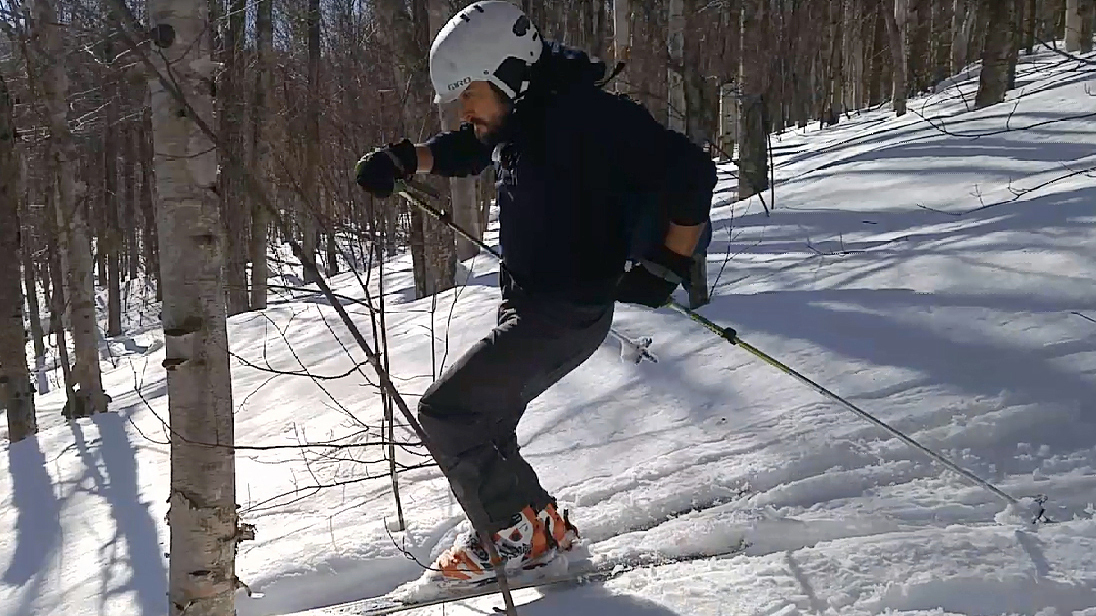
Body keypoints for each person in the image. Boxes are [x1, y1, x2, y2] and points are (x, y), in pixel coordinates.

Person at [354, 0, 716, 587]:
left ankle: (515, 539)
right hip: (537, 305)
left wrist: (670, 262)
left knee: (449, 413)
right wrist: (405, 158)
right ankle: (537, 527)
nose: (464, 110)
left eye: (470, 94)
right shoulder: (526, 113)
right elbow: (471, 147)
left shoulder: (589, 118)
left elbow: (692, 170)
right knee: (487, 419)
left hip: (564, 310)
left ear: (508, 74)